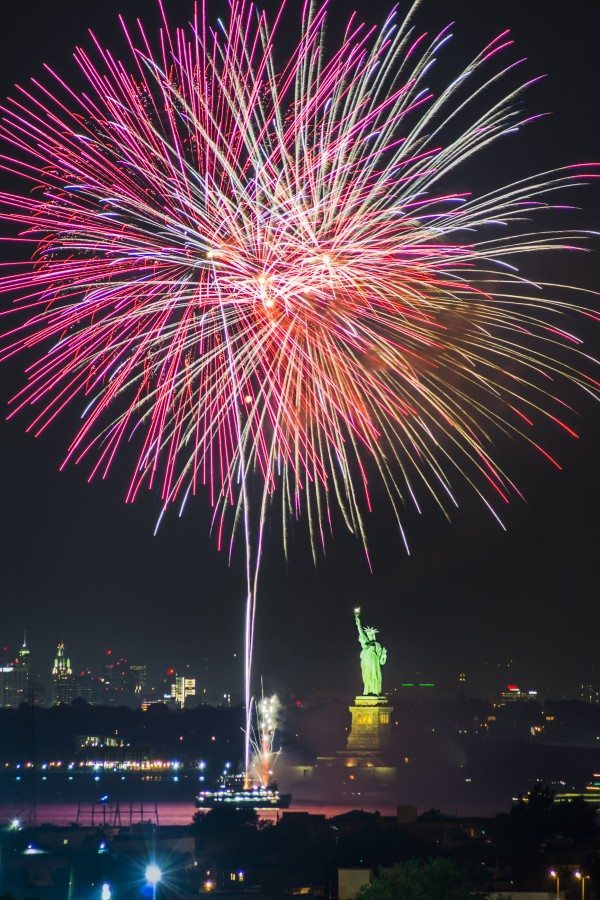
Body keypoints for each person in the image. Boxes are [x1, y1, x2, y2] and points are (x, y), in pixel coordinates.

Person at [354, 607, 387, 695]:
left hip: (375, 664)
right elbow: (360, 632)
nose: (371, 636)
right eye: (369, 635)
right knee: (367, 676)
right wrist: (358, 622)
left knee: (375, 676)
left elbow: (381, 662)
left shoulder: (377, 645)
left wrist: (384, 655)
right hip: (366, 663)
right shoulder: (365, 642)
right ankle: (367, 690)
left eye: (371, 635)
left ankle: (375, 691)